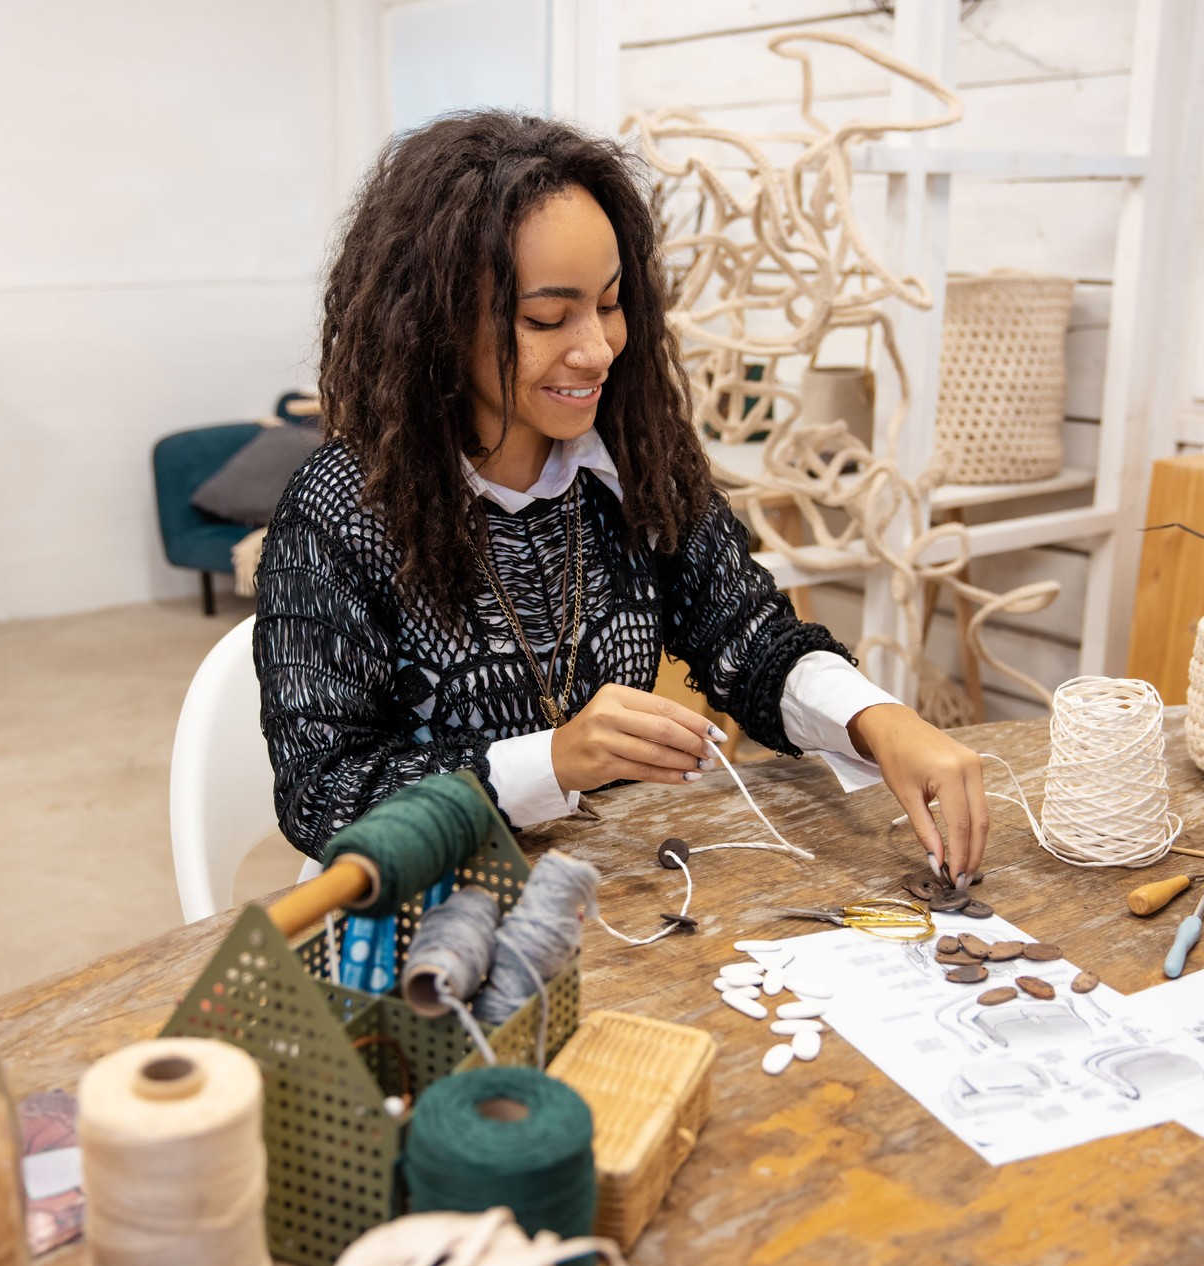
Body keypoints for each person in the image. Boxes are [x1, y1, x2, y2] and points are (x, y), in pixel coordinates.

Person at [255, 110, 987, 886]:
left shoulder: (638, 463)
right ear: (435, 322)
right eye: (546, 317)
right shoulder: (340, 508)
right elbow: (323, 793)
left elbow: (747, 637)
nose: (597, 348)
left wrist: (876, 720)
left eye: (609, 303)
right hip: (417, 911)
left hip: (607, 889)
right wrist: (555, 759)